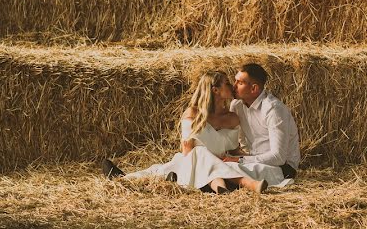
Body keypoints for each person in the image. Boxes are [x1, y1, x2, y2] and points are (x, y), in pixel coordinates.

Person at [101, 71, 267, 194]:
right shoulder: (193, 114)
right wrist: (213, 157)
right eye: (227, 83)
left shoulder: (233, 118)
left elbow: (234, 149)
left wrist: (249, 157)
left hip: (219, 163)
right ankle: (243, 184)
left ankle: (219, 186)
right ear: (215, 90)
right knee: (194, 155)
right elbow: (187, 151)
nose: (232, 86)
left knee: (177, 164)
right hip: (192, 161)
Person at [226, 63, 300, 187]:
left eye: (239, 83)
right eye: (235, 81)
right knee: (217, 164)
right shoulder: (236, 105)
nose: (233, 87)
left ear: (254, 89)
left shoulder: (273, 109)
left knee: (227, 170)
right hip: (253, 160)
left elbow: (278, 157)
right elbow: (240, 138)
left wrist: (240, 160)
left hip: (282, 168)